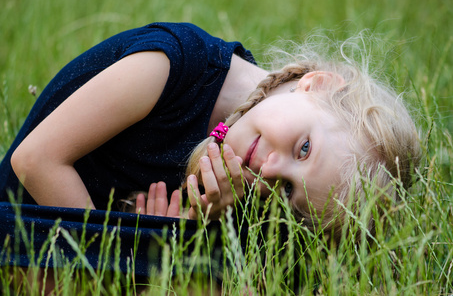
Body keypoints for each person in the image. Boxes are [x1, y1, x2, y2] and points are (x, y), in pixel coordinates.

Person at [0, 22, 421, 245]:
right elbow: (35, 160)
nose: (271, 169)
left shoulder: (247, 189)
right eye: (304, 148)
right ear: (319, 84)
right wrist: (138, 250)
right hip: (22, 226)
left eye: (289, 191)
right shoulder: (173, 65)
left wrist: (197, 227)